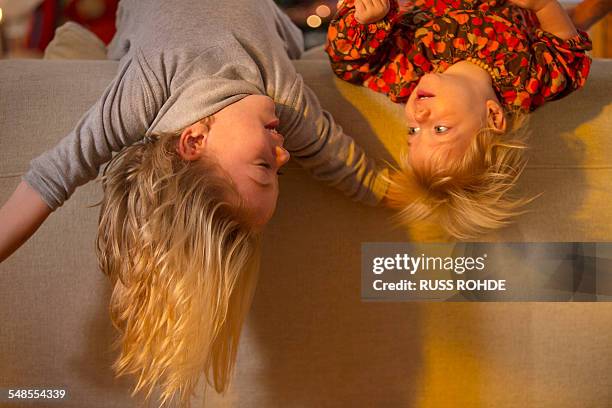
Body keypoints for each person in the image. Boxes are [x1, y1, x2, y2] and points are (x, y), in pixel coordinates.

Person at [0, 0, 389, 406]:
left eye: (263, 166)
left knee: (92, 48)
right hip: (273, 26)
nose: (285, 155)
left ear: (193, 141)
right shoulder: (282, 97)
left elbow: (51, 178)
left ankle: (91, 50)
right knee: (318, 46)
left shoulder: (147, 87)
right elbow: (347, 166)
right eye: (281, 173)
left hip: (143, 37)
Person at [326, 0, 594, 238]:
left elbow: (348, 65)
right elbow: (565, 55)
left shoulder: (407, 71)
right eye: (440, 129)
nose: (418, 115)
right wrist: (544, 7)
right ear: (493, 116)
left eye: (414, 131)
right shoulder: (526, 83)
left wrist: (367, 20)